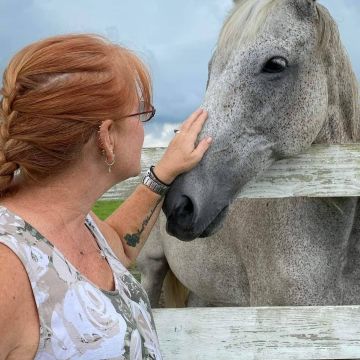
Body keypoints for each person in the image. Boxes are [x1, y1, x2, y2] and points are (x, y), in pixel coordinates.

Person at [0, 34, 212, 359]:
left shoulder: (76, 221)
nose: (144, 127)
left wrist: (164, 173)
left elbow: (119, 244)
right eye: (141, 114)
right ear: (106, 136)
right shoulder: (8, 268)